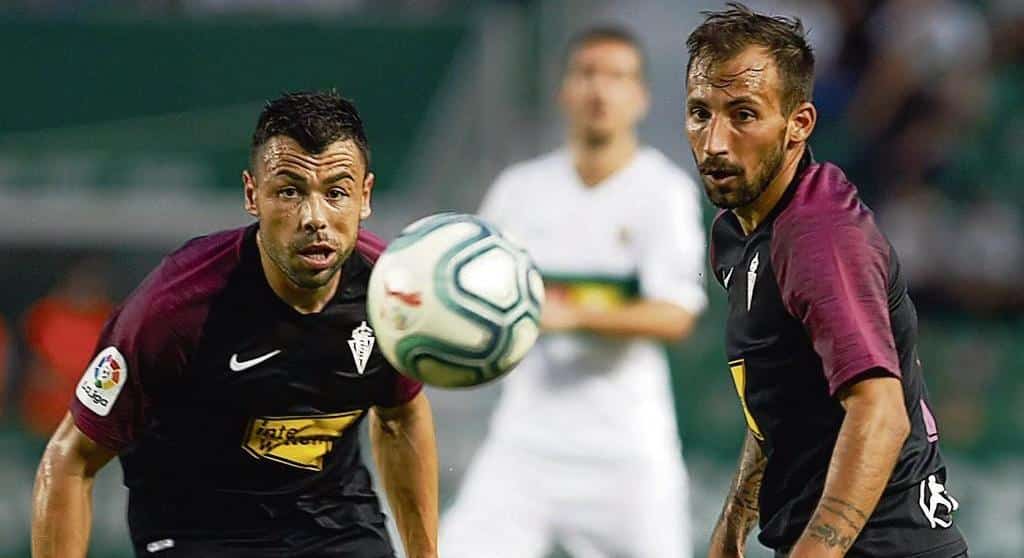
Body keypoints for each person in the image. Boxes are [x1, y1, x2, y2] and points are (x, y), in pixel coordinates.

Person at [31, 91, 439, 558]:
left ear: (364, 197)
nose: (315, 218)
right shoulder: (175, 306)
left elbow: (400, 417)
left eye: (336, 192)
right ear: (252, 195)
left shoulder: (391, 291)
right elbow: (70, 460)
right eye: (289, 191)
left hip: (335, 524)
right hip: (199, 533)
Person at [684, 4, 968, 558]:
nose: (715, 142)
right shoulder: (738, 236)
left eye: (743, 114)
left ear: (799, 124)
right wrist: (733, 521)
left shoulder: (819, 235)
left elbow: (879, 414)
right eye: (700, 113)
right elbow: (782, 397)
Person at [442, 27, 707, 558]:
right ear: (564, 90)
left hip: (627, 453)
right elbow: (471, 290)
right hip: (524, 444)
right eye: (586, 74)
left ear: (641, 98)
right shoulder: (519, 190)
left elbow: (676, 315)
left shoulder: (664, 193)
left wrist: (564, 315)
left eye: (616, 77)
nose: (599, 90)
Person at [19, 258, 113, 437]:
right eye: (81, 284)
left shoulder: (108, 318)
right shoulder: (45, 314)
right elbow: (34, 366)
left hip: (91, 420)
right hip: (44, 416)